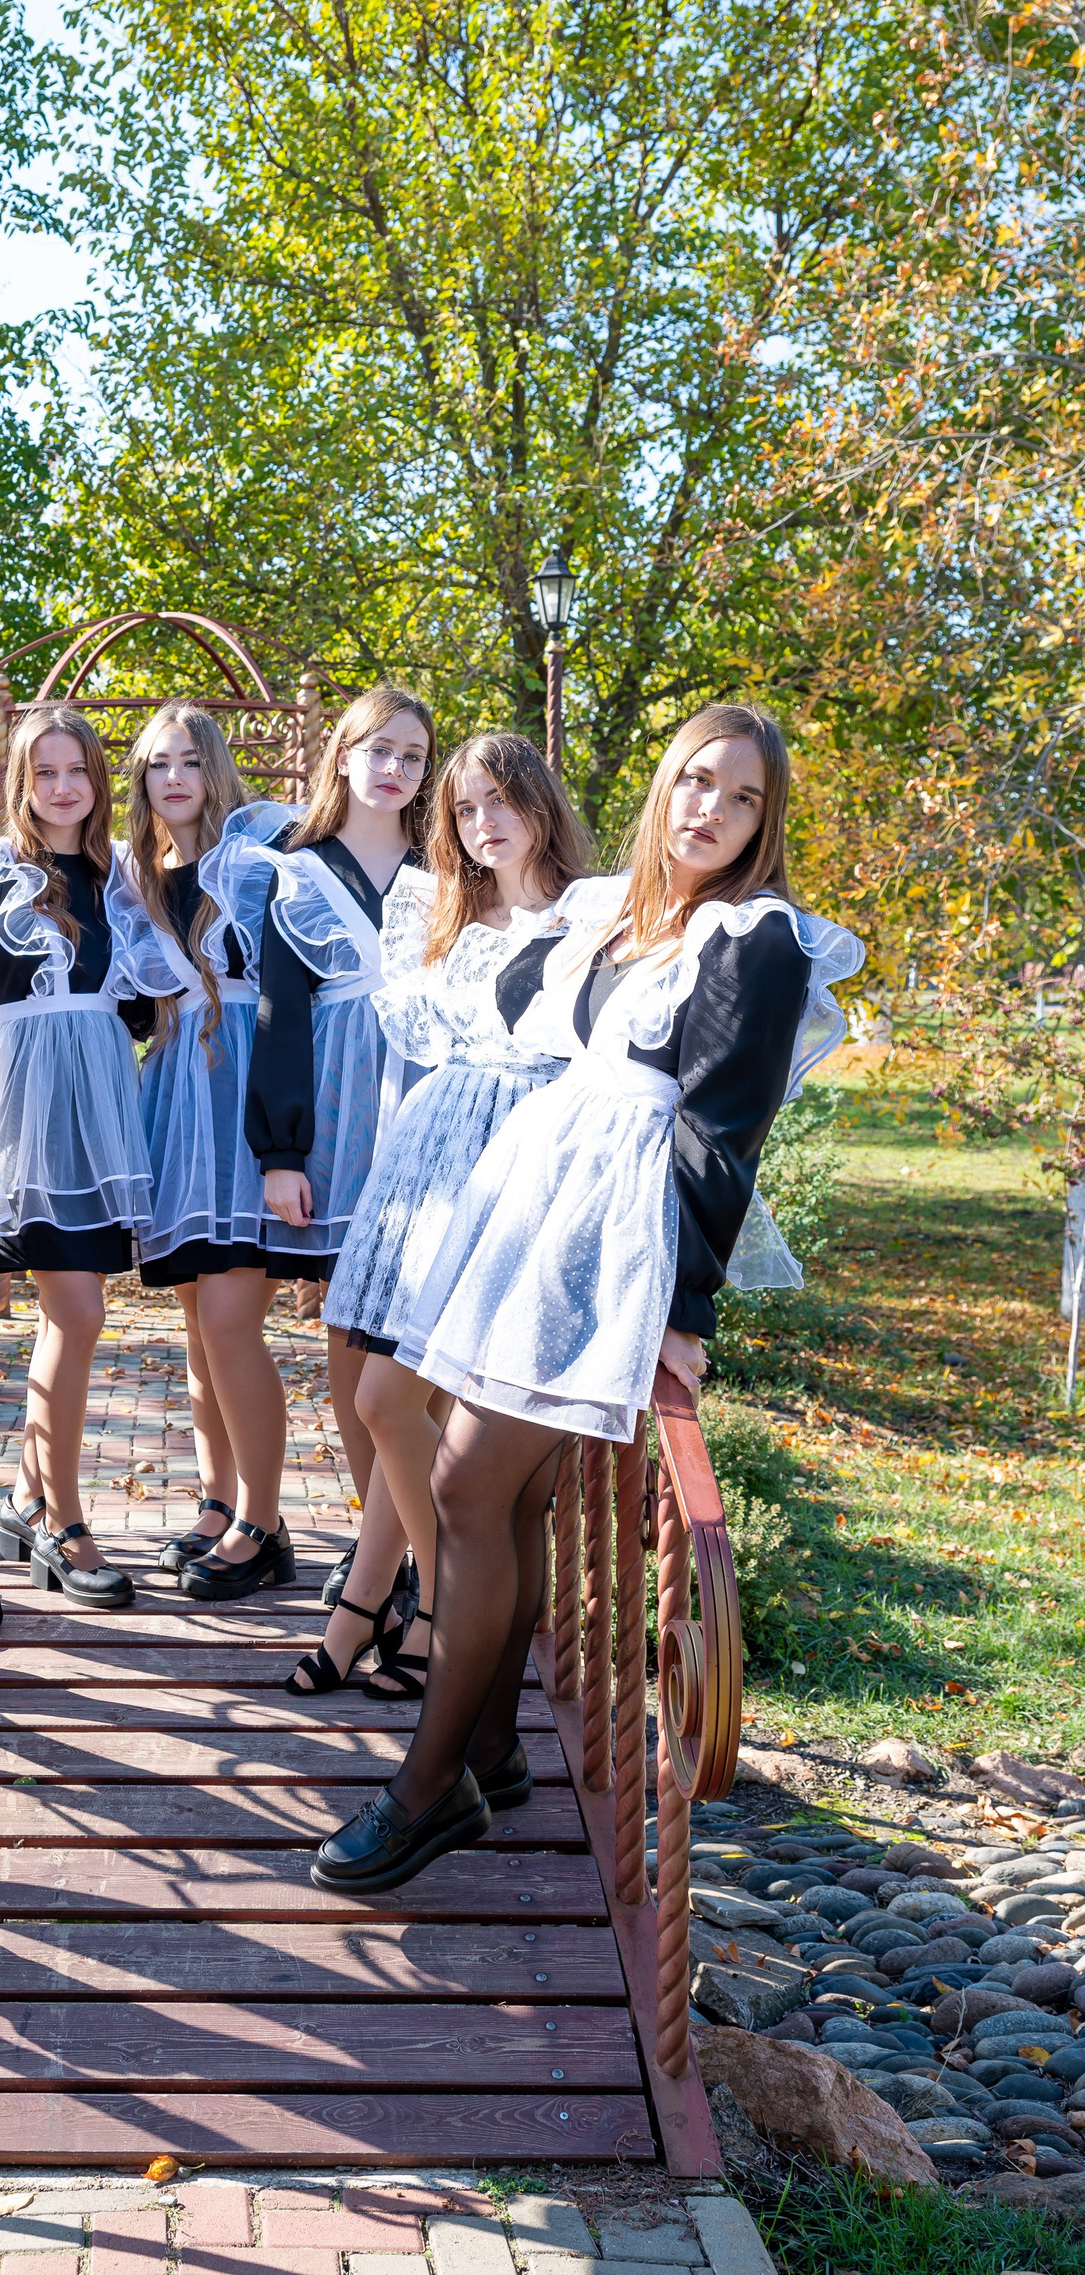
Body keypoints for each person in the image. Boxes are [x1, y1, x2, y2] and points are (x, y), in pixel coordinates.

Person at [312, 703, 863, 1893]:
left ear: (765, 821)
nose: (711, 809)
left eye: (743, 797)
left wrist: (683, 1315)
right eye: (697, 781)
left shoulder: (756, 936)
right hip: (530, 1203)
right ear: (664, 786)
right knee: (500, 1497)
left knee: (466, 1484)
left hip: (608, 1234)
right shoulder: (613, 907)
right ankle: (490, 1751)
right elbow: (520, 1009)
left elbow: (723, 1136)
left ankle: (429, 1785)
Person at [296, 734, 591, 1697]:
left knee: (393, 1402)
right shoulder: (447, 912)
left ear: (540, 802)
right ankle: (381, 1604)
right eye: (464, 809)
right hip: (432, 1168)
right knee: (396, 1403)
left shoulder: (590, 918)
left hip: (518, 1170)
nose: (482, 823)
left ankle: (442, 1611)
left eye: (500, 800)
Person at [0, 702, 154, 1608]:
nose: (63, 789)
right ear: (19, 782)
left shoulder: (123, 876)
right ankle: (61, 1517)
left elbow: (143, 1006)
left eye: (78, 772)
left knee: (76, 1314)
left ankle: (29, 1500)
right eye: (44, 773)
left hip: (100, 1113)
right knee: (76, 1310)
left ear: (98, 782)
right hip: (25, 1111)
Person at [244, 684, 436, 1523]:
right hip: (340, 1117)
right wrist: (281, 1154)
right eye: (378, 749)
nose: (394, 768)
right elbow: (279, 1015)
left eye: (413, 756)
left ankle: (427, 1544)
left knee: (427, 1335)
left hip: (436, 1114)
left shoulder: (451, 864)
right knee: (352, 1328)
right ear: (344, 755)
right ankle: (376, 1552)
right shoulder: (297, 869)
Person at [118, 703, 298, 1595]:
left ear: (215, 768)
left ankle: (265, 1524)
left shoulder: (259, 860)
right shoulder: (142, 882)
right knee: (197, 1326)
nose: (175, 778)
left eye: (190, 760)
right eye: (158, 764)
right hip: (178, 1102)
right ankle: (220, 1500)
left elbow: (295, 990)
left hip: (246, 1099)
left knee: (230, 1322)